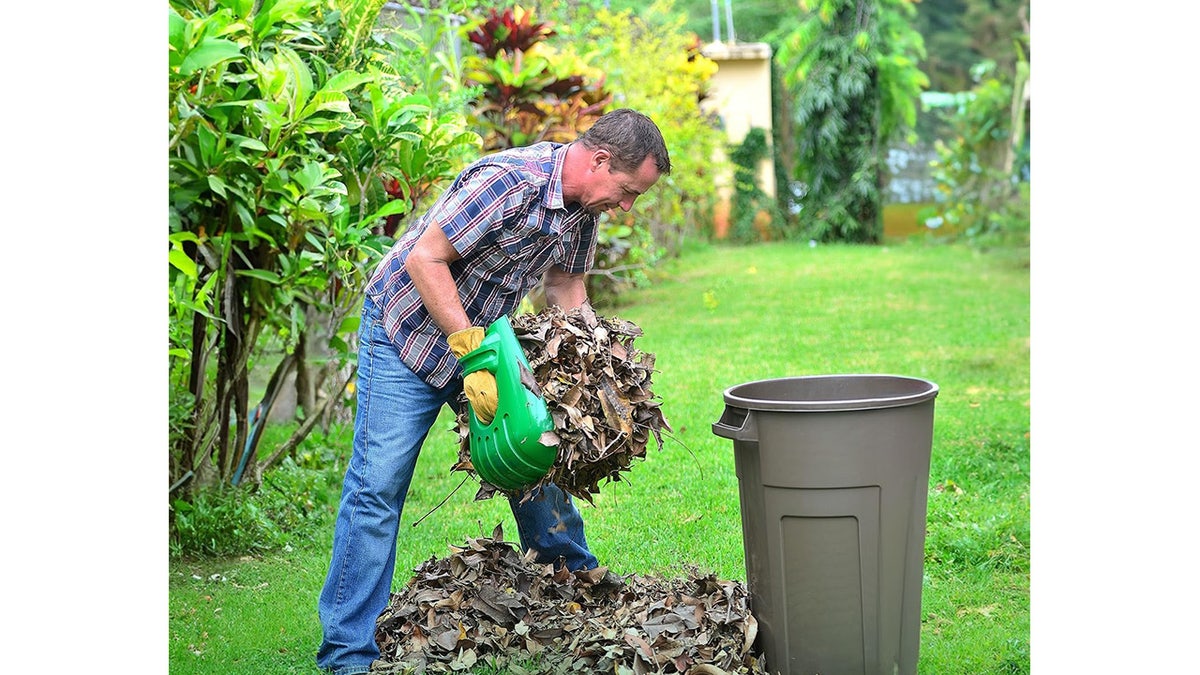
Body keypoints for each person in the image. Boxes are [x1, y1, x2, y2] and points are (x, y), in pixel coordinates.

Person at [316, 108, 672, 675]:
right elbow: (423, 259)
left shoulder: (583, 207)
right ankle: (347, 654)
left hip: (484, 342)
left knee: (536, 454)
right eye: (627, 191)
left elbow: (567, 284)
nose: (626, 206)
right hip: (406, 330)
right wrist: (473, 354)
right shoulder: (509, 181)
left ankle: (580, 595)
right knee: (378, 485)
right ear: (600, 160)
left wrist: (596, 362)